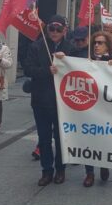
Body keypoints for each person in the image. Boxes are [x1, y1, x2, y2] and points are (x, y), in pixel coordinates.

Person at [24, 15, 76, 186]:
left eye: (58, 29)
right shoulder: (37, 46)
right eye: (51, 29)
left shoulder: (71, 47)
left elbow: (83, 68)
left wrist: (66, 60)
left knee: (61, 137)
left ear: (64, 30)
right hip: (41, 99)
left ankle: (60, 169)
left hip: (63, 102)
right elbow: (28, 69)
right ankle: (46, 170)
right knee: (44, 137)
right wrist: (47, 70)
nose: (54, 32)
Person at [82, 31, 112, 187]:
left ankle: (104, 164)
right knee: (88, 139)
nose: (97, 45)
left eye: (100, 43)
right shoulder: (85, 60)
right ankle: (89, 173)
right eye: (95, 42)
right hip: (89, 107)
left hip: (107, 107)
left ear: (107, 45)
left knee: (105, 138)